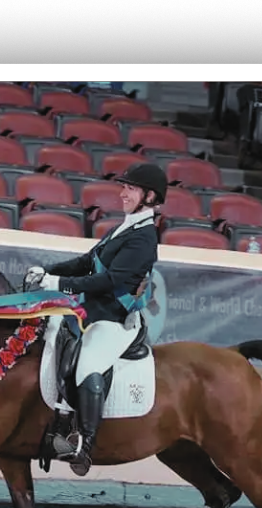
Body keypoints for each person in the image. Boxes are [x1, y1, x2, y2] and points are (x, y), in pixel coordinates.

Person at [24, 162, 167, 476]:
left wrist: (59, 285)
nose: (123, 193)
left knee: (89, 363)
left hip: (114, 319)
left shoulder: (144, 238)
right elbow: (88, 261)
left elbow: (110, 281)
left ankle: (84, 444)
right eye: (124, 187)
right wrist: (50, 271)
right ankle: (59, 419)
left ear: (149, 196)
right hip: (90, 310)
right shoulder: (124, 227)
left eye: (130, 188)